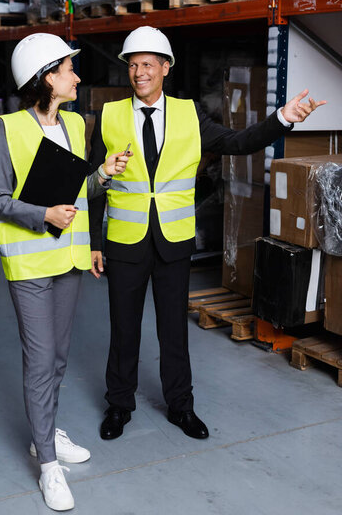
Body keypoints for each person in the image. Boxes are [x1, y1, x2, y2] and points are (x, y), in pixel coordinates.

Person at [88, 25, 326, 442]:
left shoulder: (188, 114)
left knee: (173, 331)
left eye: (147, 64)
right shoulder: (108, 116)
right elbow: (92, 183)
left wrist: (283, 119)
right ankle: (118, 404)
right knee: (123, 328)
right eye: (132, 65)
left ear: (165, 68)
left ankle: (181, 407)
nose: (139, 72)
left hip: (172, 242)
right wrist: (92, 242)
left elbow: (239, 141)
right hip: (124, 242)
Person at [0, 32, 131, 512]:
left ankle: (43, 434)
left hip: (68, 260)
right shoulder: (9, 127)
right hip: (29, 261)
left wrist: (103, 173)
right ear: (48, 77)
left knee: (61, 356)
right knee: (41, 358)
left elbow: (76, 188)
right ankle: (48, 464)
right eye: (69, 69)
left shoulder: (74, 124)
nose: (77, 76)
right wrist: (42, 215)